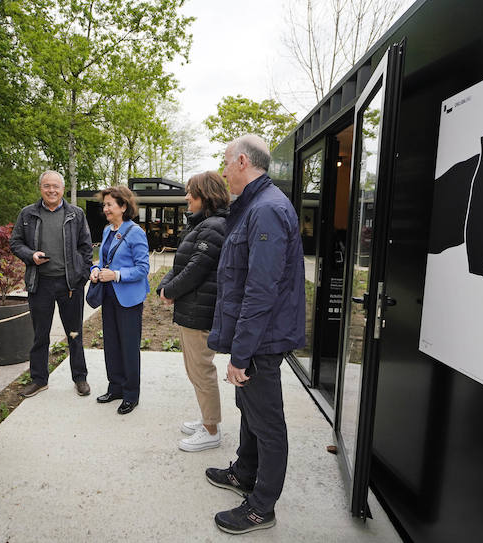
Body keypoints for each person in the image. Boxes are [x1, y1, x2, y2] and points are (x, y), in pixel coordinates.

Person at [204, 135, 305, 534]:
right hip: (254, 336)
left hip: (261, 339)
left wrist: (241, 354)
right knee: (249, 410)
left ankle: (262, 507)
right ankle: (245, 472)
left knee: (267, 423)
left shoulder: (267, 209)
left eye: (226, 162)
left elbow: (261, 290)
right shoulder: (254, 206)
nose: (224, 170)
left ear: (243, 162)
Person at [157, 172, 229, 452]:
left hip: (200, 312)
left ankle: (211, 430)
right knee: (195, 371)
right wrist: (165, 287)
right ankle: (207, 418)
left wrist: (170, 291)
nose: (187, 196)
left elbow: (195, 269)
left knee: (201, 371)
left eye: (191, 192)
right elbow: (180, 264)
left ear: (205, 195)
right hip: (191, 309)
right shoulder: (201, 224)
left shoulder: (214, 226)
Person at [11, 170, 93, 398]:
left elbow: (86, 247)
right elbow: (15, 242)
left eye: (56, 186)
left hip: (70, 285)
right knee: (40, 335)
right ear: (40, 188)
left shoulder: (76, 214)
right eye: (47, 186)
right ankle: (39, 380)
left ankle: (80, 377)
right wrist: (30, 255)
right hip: (40, 284)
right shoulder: (28, 214)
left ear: (63, 189)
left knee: (74, 333)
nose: (51, 190)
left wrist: (82, 276)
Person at [90, 185, 150, 415]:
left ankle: (131, 395)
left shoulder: (135, 232)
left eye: (109, 205)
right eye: (104, 205)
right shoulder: (107, 230)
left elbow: (143, 268)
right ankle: (115, 388)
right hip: (109, 295)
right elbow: (103, 260)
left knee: (129, 347)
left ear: (123, 206)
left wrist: (116, 275)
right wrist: (95, 270)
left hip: (129, 299)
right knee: (112, 344)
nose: (105, 209)